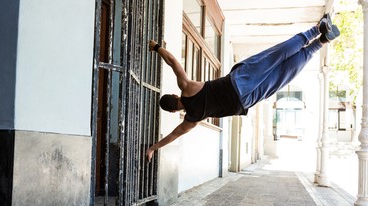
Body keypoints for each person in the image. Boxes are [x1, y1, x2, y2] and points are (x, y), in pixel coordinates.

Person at [146, 14, 340, 163]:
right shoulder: (187, 87)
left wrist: (153, 148)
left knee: (282, 75)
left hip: (244, 101)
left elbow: (173, 135)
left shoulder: (190, 120)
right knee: (275, 56)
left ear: (173, 111)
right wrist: (156, 47)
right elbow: (172, 62)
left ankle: (320, 42)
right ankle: (316, 30)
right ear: (174, 95)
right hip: (238, 81)